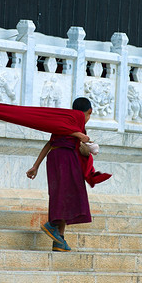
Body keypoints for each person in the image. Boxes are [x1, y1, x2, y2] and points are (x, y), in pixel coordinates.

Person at [25, 97, 93, 252]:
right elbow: (57, 139)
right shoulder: (71, 122)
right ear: (89, 112)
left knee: (65, 196)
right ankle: (51, 225)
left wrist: (36, 166)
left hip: (62, 158)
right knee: (63, 195)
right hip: (64, 158)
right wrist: (79, 135)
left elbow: (50, 143)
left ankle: (59, 240)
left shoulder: (70, 123)